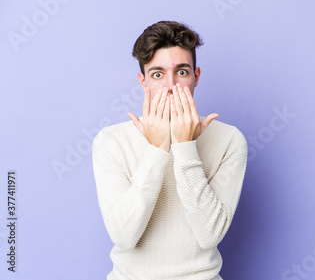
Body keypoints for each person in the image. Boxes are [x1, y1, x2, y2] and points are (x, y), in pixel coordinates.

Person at [92, 21, 248, 280]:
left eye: (182, 72)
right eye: (157, 74)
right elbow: (124, 237)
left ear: (196, 77)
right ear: (143, 81)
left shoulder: (230, 140)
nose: (171, 86)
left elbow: (209, 235)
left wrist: (185, 147)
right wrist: (157, 149)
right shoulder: (111, 141)